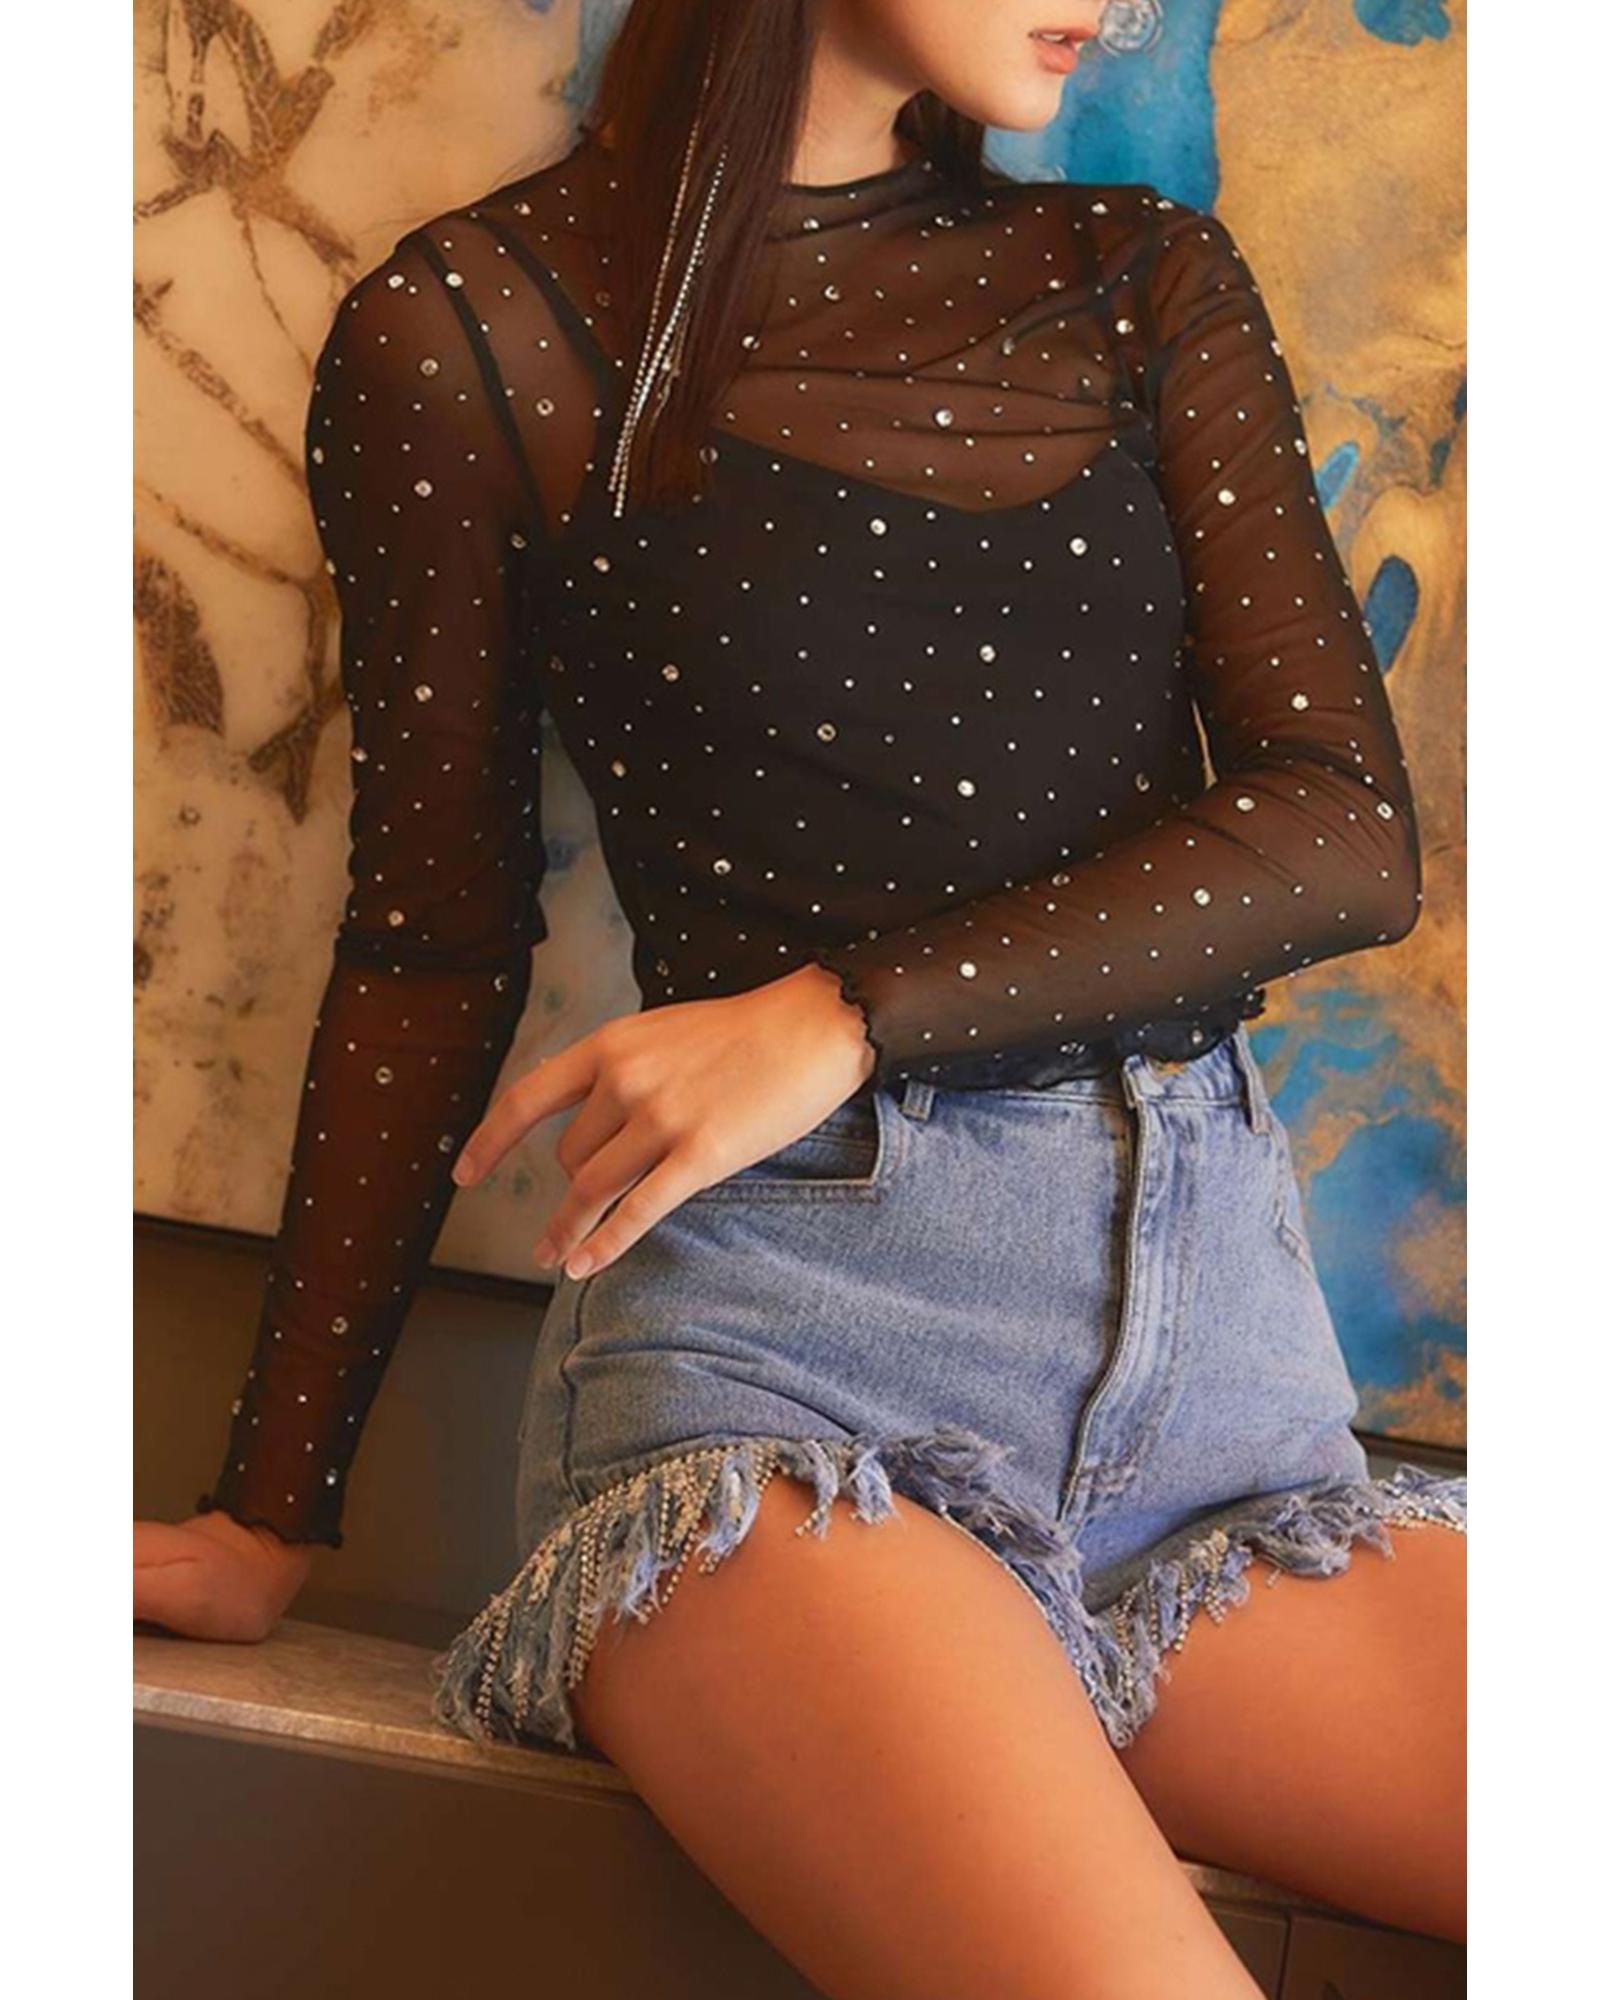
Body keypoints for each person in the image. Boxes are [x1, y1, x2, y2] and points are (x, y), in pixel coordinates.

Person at [134, 3, 1467, 1991]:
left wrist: (840, 1008)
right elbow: (431, 938)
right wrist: (267, 1515)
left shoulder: (1136, 275)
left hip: (1222, 1418)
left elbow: (1340, 830)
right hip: (786, 1393)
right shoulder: (469, 330)